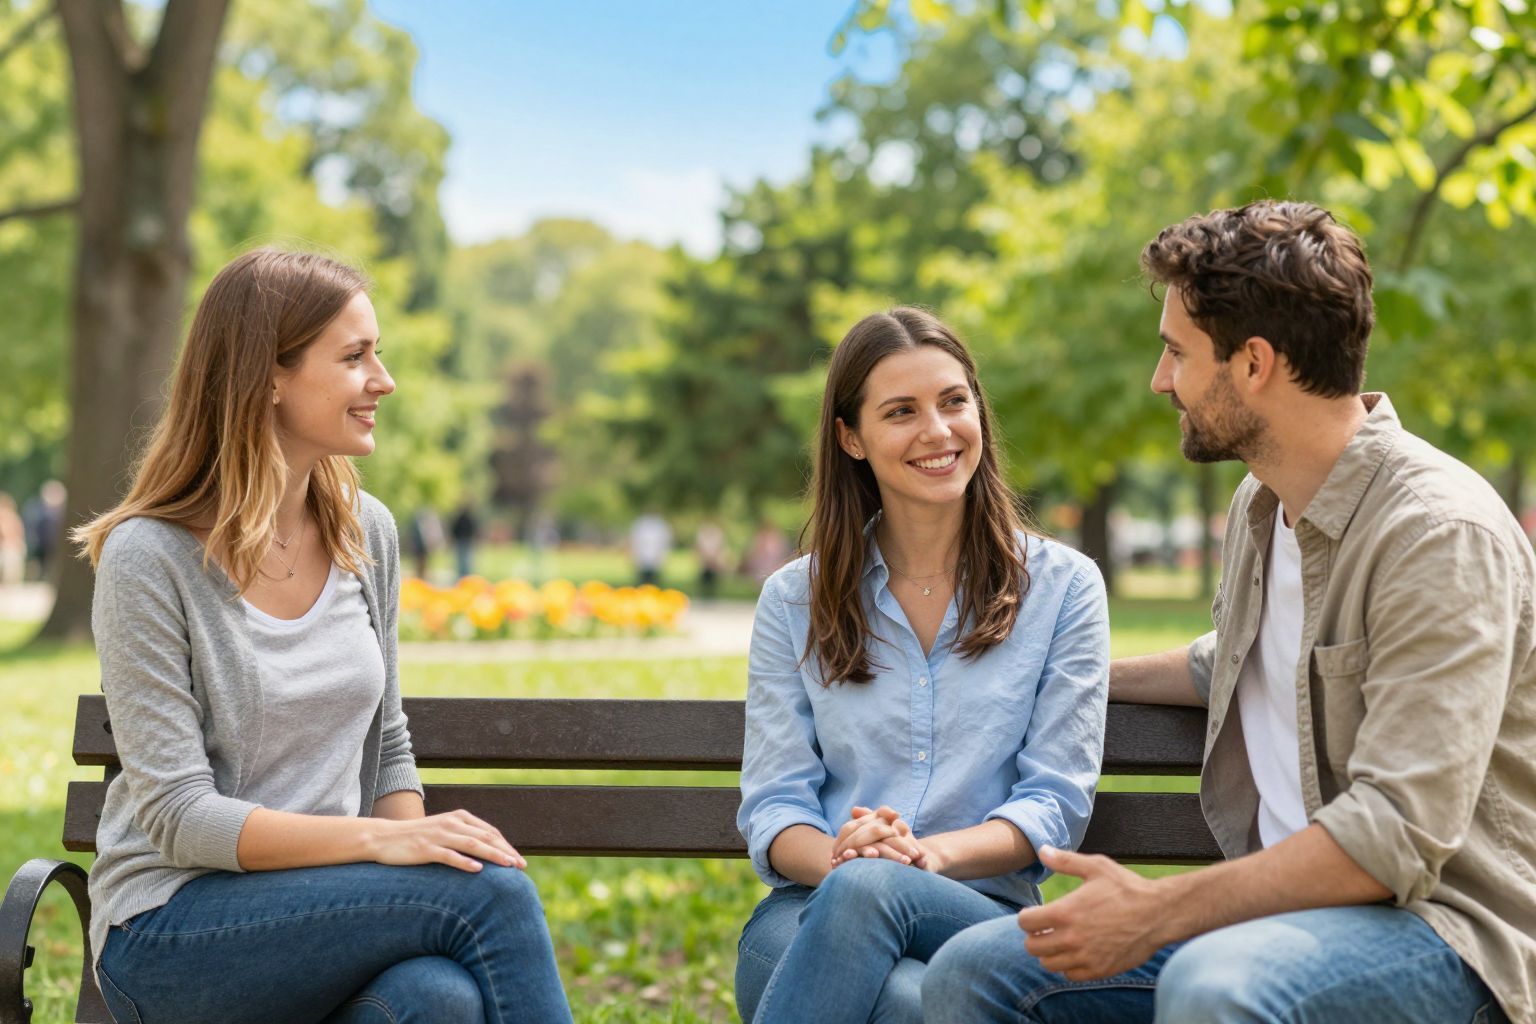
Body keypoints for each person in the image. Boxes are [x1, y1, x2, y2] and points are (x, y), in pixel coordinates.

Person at [923, 201, 1533, 1024]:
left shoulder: (1437, 535)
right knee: (976, 973)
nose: (1159, 380)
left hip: (1446, 938)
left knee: (1218, 987)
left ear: (1253, 363)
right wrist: (1055, 675)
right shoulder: (1262, 504)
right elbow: (1238, 661)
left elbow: (1393, 837)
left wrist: (1159, 910)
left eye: (1177, 352)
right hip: (1276, 923)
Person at [72, 248, 572, 1024]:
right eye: (354, 357)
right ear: (268, 376)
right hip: (173, 929)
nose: (384, 380)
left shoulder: (365, 532)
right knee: (492, 894)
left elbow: (389, 744)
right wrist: (377, 845)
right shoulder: (151, 556)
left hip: (323, 916)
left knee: (437, 999)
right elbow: (179, 816)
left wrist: (409, 860)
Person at [735, 308, 1109, 1024]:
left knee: (875, 900)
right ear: (851, 438)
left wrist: (921, 859)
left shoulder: (1063, 588)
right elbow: (775, 806)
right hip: (809, 908)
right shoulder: (793, 600)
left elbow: (1053, 804)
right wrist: (847, 859)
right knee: (906, 1002)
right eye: (901, 411)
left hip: (980, 917)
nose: (937, 431)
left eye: (953, 401)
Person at [629, 511, 671, 587]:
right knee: (642, 581)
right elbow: (635, 541)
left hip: (655, 558)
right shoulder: (641, 524)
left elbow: (664, 542)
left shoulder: (660, 525)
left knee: (654, 581)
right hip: (642, 557)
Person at [694, 520, 728, 600]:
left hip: (712, 560)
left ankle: (709, 595)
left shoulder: (716, 534)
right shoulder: (704, 535)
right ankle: (704, 594)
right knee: (705, 578)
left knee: (712, 579)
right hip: (706, 561)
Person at [449, 502, 479, 580]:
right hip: (463, 541)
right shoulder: (464, 519)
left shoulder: (463, 518)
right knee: (464, 560)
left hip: (464, 541)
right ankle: (463, 576)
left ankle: (465, 576)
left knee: (464, 560)